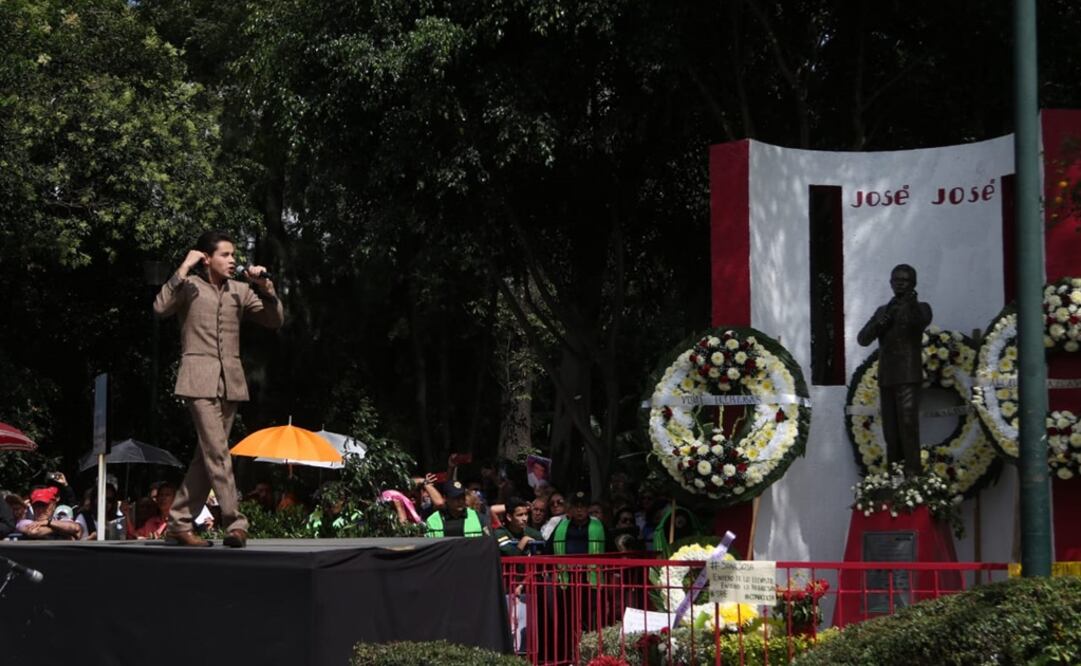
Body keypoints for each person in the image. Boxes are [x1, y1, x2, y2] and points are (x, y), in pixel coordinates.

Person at [154, 230, 284, 548]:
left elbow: (274, 320)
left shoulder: (240, 290)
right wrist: (184, 266)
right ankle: (235, 523)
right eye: (225, 255)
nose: (232, 260)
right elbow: (160, 307)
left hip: (231, 382)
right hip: (198, 379)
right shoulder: (189, 286)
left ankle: (179, 523)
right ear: (206, 258)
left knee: (207, 457)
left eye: (233, 255)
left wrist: (265, 287)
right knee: (217, 452)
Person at [857, 263, 933, 477]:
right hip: (887, 376)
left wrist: (910, 303)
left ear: (913, 283)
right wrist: (881, 322)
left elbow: (919, 323)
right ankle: (895, 474)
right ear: (890, 283)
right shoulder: (883, 311)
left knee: (908, 426)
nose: (899, 284)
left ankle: (913, 473)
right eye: (896, 280)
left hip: (908, 376)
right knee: (890, 430)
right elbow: (863, 339)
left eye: (904, 280)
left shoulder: (922, 307)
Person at [17, 487, 82, 540]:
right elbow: (33, 532)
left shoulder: (61, 519)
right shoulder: (25, 522)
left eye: (44, 505)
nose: (40, 509)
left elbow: (76, 528)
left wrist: (47, 522)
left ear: (53, 505)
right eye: (37, 505)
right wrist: (62, 529)